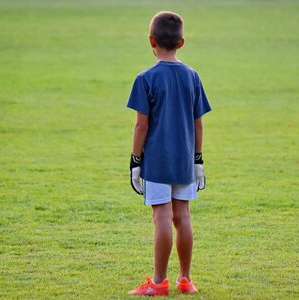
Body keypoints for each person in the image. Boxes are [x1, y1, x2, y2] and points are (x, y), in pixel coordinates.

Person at [127, 11, 211, 296]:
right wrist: (198, 159)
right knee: (183, 216)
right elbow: (198, 123)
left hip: (158, 161)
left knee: (161, 217)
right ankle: (186, 280)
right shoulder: (193, 76)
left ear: (151, 40)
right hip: (185, 159)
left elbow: (141, 125)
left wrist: (135, 161)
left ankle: (159, 282)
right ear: (182, 42)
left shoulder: (145, 78)